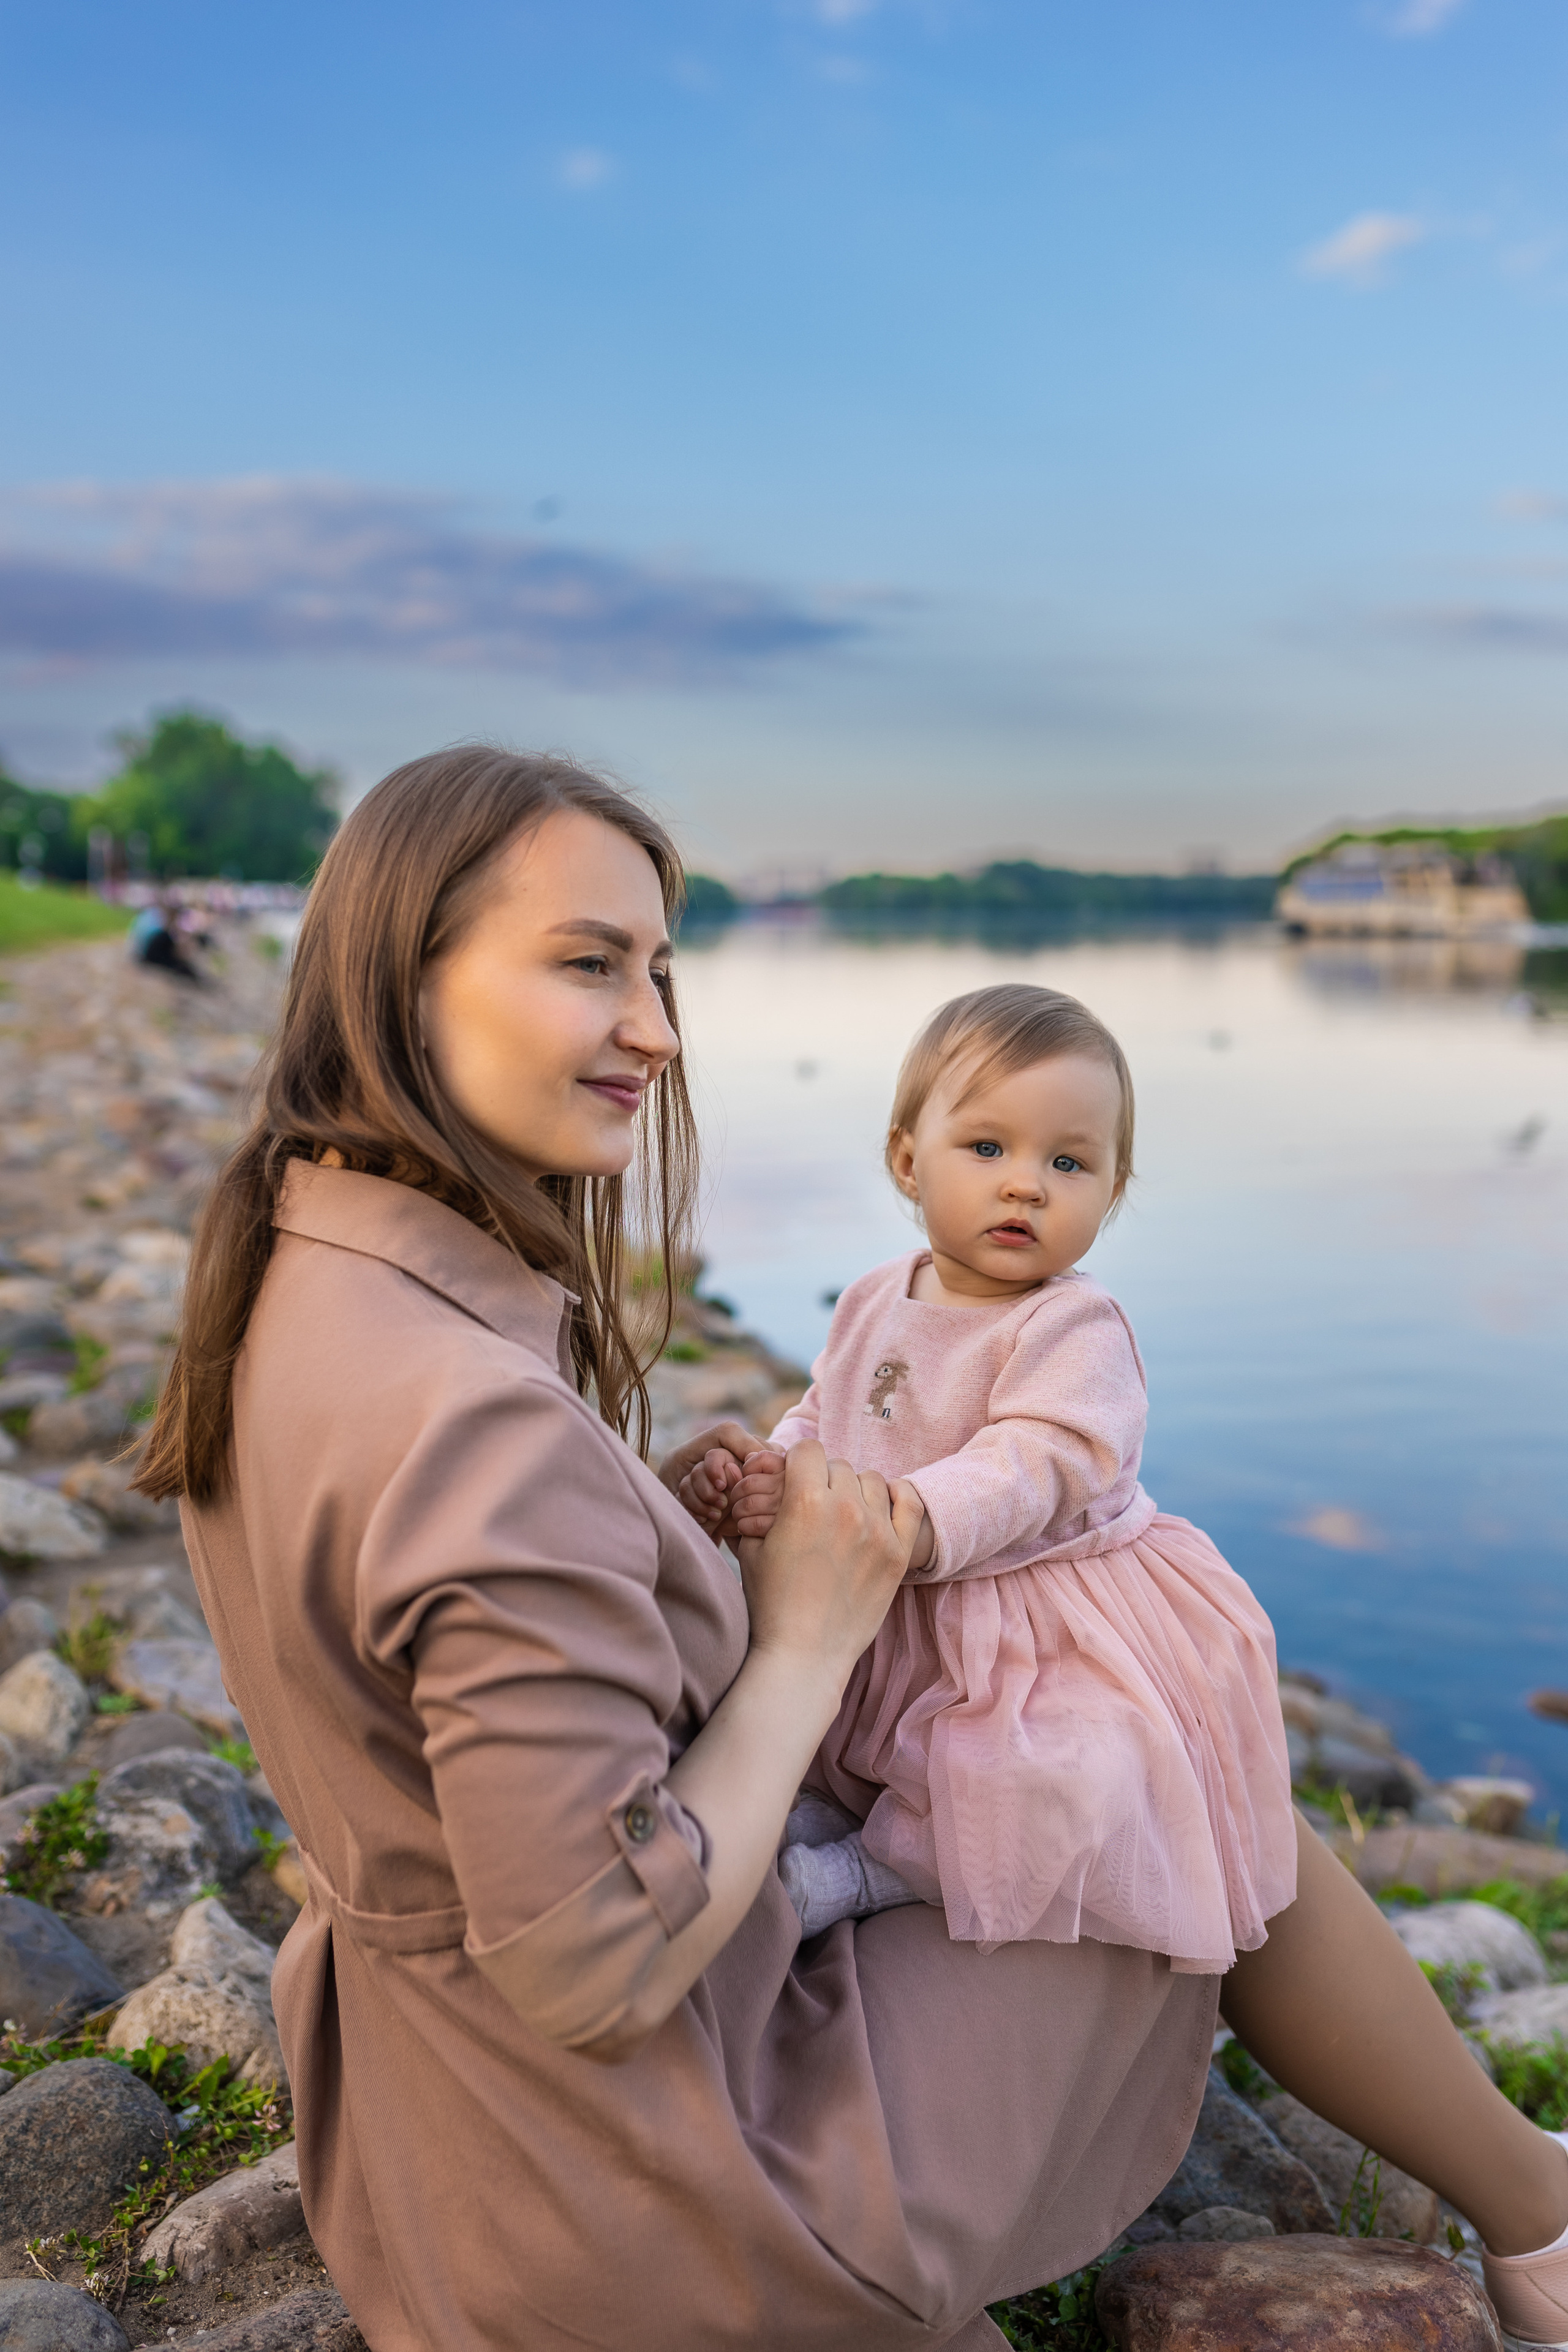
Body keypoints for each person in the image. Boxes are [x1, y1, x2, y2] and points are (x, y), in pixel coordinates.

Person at [135, 749, 1568, 2351]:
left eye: (662, 973)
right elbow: (592, 1968)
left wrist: (648, 1524)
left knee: (1131, 1774)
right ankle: (1545, 2218)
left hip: (435, 2141)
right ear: (406, 980)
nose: (661, 1034)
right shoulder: (464, 1416)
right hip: (664, 2188)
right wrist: (811, 1635)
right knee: (1195, 1786)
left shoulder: (299, 1272)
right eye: (591, 964)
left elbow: (441, 1652)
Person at [678, 984, 1294, 1975]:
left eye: (1069, 1162)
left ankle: (886, 1872)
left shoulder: (1072, 1328)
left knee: (1036, 1772)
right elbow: (827, 1410)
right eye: (988, 1149)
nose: (1027, 1186)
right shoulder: (880, 1293)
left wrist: (920, 1516)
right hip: (890, 1580)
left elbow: (1040, 1461)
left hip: (1025, 1611)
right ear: (906, 1161)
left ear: (1112, 1188)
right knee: (871, 1731)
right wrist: (777, 1469)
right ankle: (847, 1806)